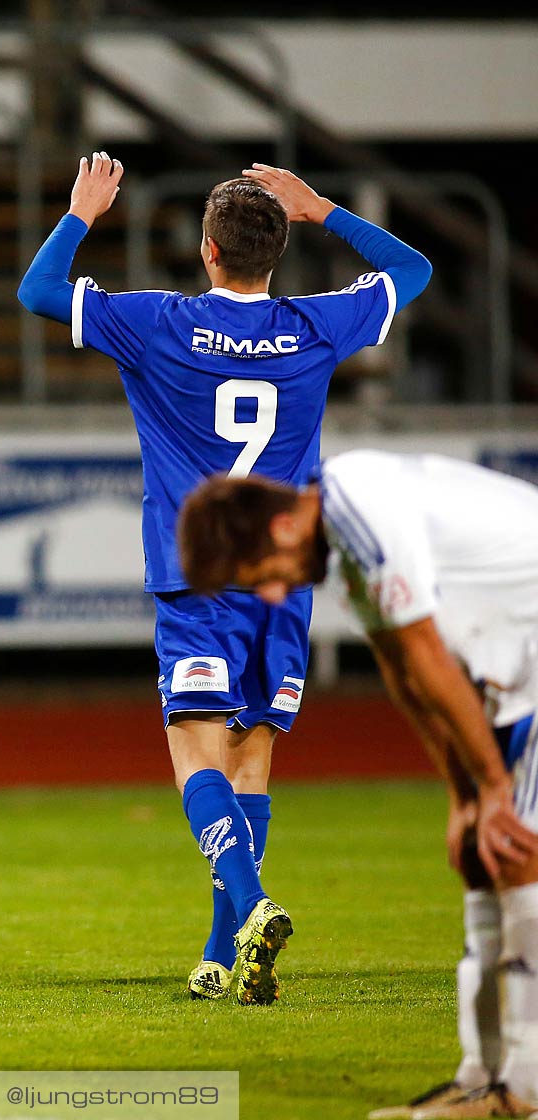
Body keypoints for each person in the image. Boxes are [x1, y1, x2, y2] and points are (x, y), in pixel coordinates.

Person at [16, 153, 432, 1004]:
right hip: (283, 577)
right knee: (253, 758)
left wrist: (83, 214)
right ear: (273, 252)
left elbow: (38, 289)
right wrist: (324, 210)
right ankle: (221, 955)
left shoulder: (156, 323)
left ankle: (248, 907)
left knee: (194, 751)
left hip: (195, 570)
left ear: (209, 250)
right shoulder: (318, 325)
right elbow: (413, 269)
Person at [178, 454, 538, 1119]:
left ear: (284, 529)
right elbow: (408, 675)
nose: (278, 597)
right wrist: (463, 795)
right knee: (483, 859)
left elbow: (426, 649)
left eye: (267, 577)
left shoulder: (356, 501)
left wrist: (491, 787)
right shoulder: (345, 550)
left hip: (529, 660)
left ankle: (521, 1090)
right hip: (518, 664)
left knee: (519, 860)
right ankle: (480, 1076)